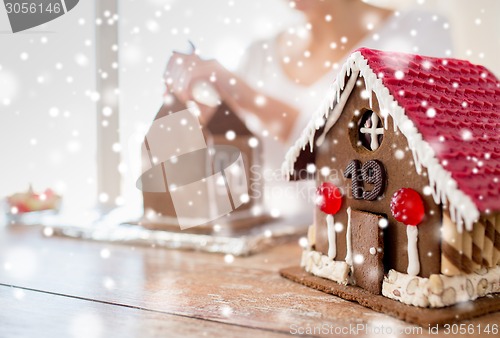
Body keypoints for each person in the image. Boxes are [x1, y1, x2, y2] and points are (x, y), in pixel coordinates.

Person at [164, 0, 452, 219]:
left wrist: (244, 94)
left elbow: (371, 151)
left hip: (361, 247)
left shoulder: (418, 34)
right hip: (264, 250)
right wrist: (201, 114)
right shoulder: (260, 54)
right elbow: (245, 159)